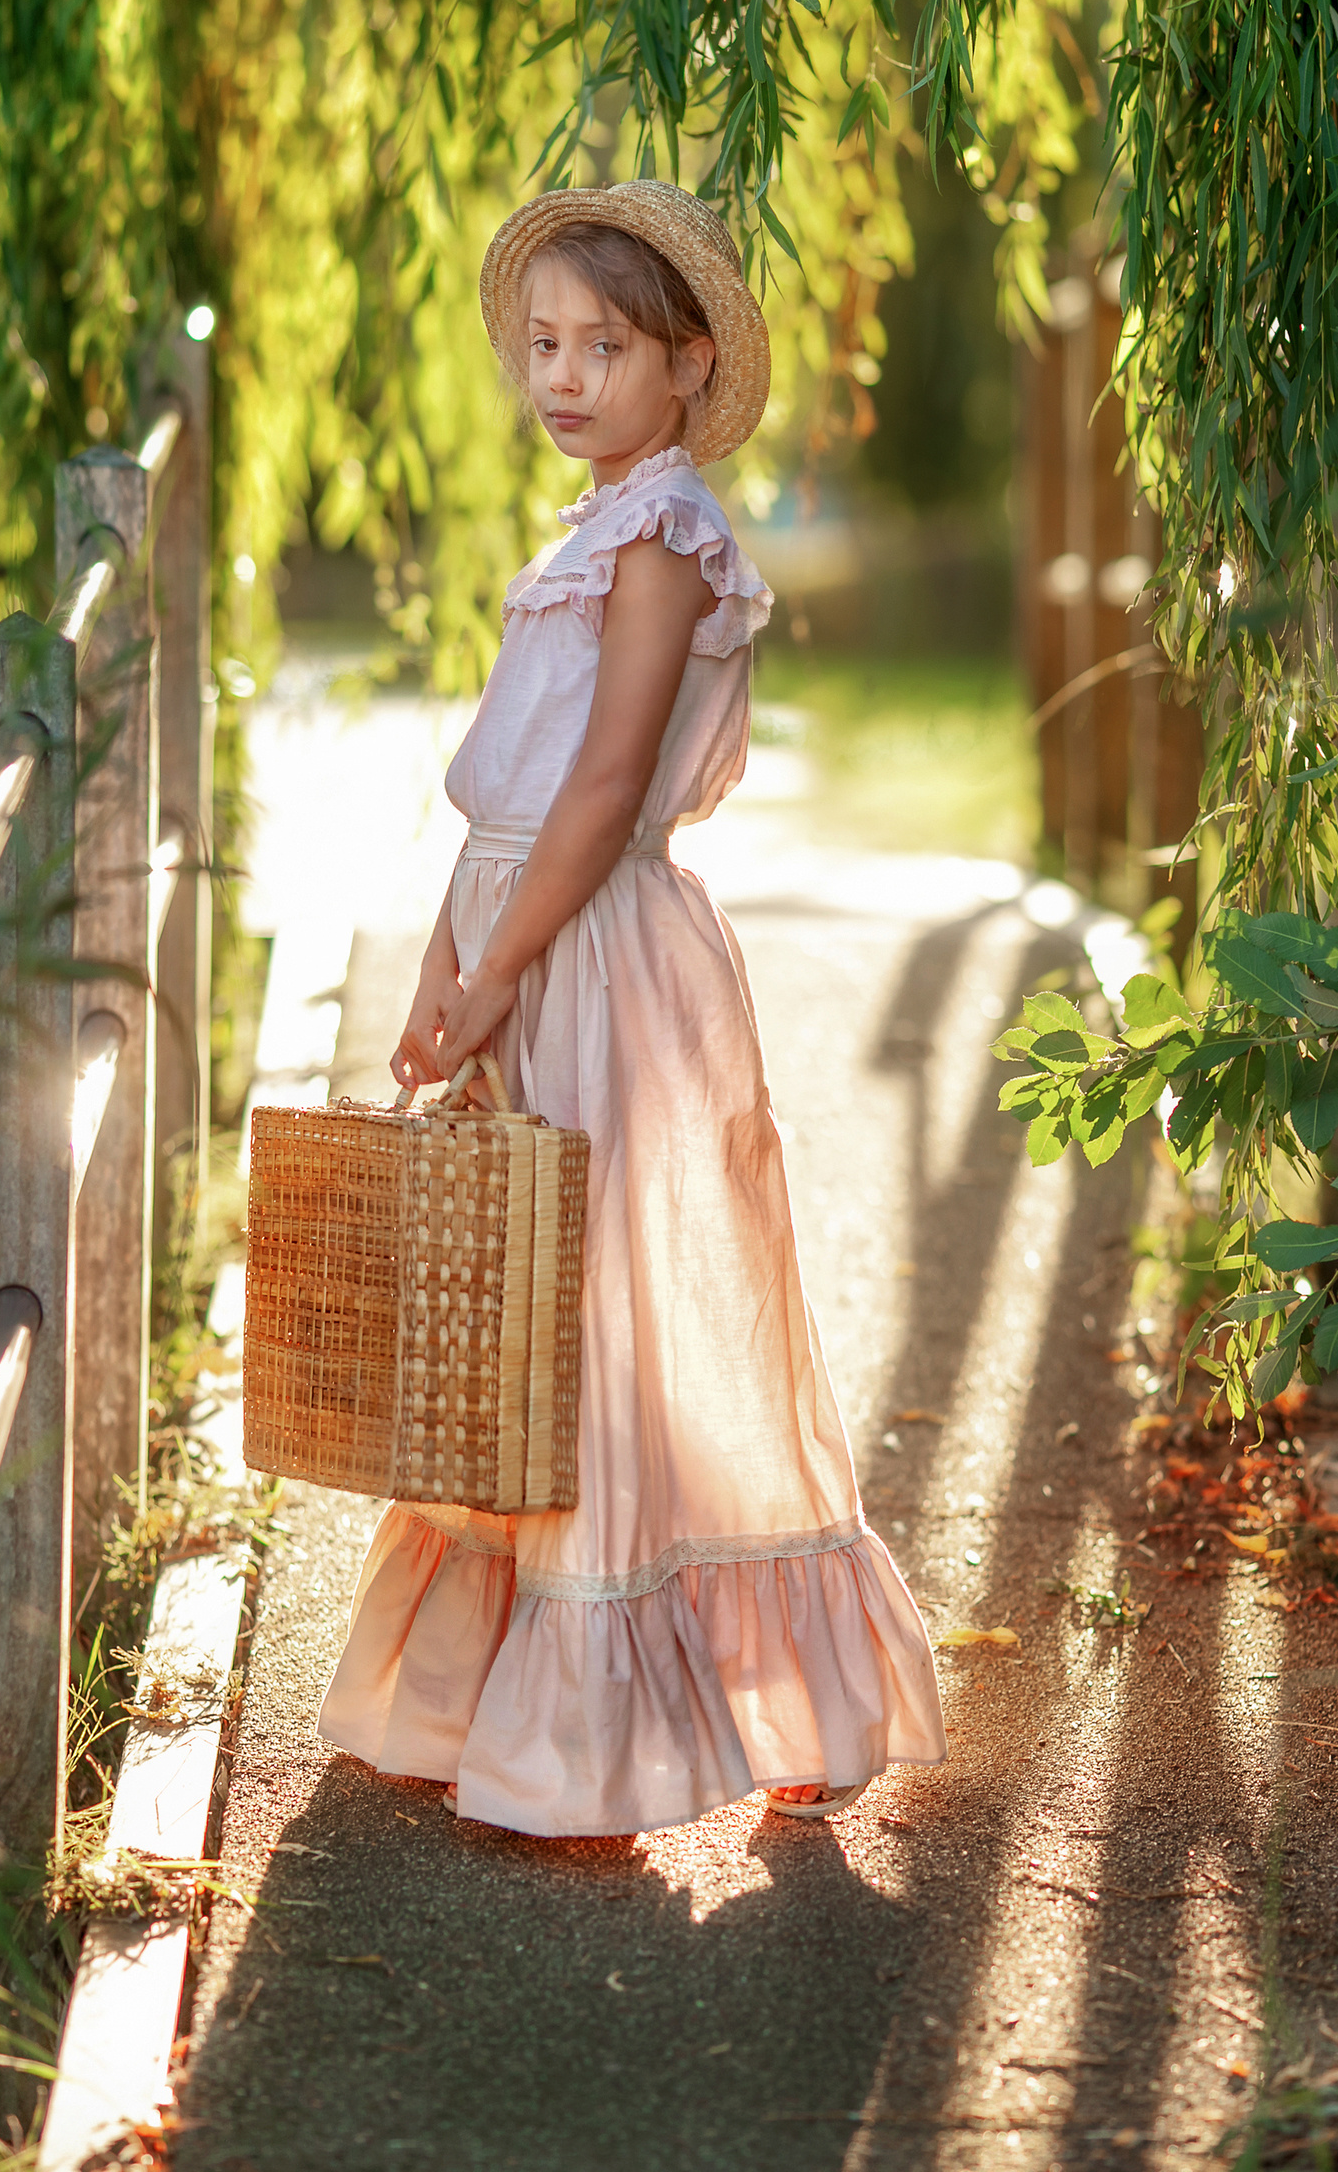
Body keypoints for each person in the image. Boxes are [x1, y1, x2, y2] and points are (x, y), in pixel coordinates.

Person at [317, 178, 946, 1835]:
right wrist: (449, 967)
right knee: (521, 1295)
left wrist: (508, 961)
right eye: (543, 344)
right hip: (521, 928)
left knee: (614, 1301)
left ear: (683, 366)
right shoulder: (581, 534)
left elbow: (603, 790)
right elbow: (510, 797)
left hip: (595, 947)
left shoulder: (666, 534)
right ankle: (501, 1687)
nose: (565, 374)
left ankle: (643, 1716)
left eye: (604, 344)